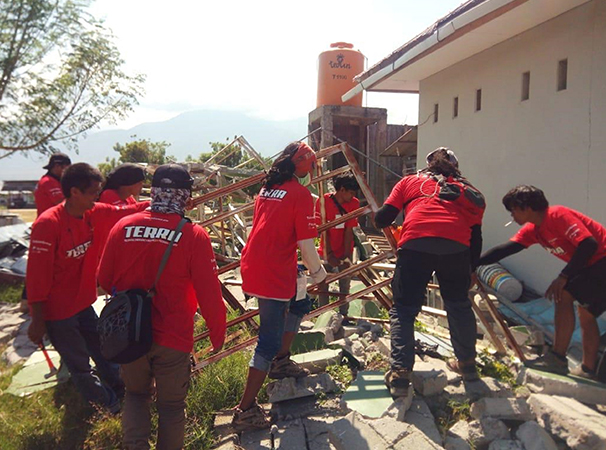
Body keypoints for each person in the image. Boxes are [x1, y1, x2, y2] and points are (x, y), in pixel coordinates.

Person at [98, 164, 226, 450]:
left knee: (135, 395)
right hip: (173, 337)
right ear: (185, 196)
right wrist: (218, 334)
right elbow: (209, 295)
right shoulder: (193, 236)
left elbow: (104, 280)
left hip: (128, 334)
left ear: (153, 192)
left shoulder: (123, 227)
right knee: (170, 407)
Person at [26, 163, 150, 413]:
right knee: (80, 365)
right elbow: (36, 278)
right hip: (58, 312)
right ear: (75, 192)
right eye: (93, 192)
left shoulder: (91, 212)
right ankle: (108, 406)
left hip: (83, 302)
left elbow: (125, 211)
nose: (98, 196)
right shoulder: (48, 225)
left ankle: (119, 388)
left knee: (104, 350)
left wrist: (159, 205)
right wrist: (37, 320)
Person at [375, 147, 485, 396]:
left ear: (427, 166)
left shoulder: (410, 182)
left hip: (415, 245)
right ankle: (468, 367)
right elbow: (476, 237)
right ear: (456, 168)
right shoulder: (471, 193)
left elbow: (383, 219)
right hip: (457, 250)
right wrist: (472, 269)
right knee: (458, 305)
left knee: (403, 310)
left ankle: (401, 374)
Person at [232, 142, 327, 431]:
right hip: (273, 270)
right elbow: (307, 245)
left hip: (258, 262)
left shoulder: (267, 188)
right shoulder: (300, 195)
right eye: (311, 166)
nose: (312, 170)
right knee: (268, 340)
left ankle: (281, 361)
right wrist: (319, 274)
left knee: (300, 303)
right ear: (301, 166)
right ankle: (245, 410)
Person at [477, 185, 606, 379]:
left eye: (513, 210)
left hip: (601, 260)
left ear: (526, 207)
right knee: (586, 314)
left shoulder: (557, 215)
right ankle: (588, 370)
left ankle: (557, 358)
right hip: (594, 267)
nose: (512, 216)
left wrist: (564, 277)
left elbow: (588, 244)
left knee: (563, 295)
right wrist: (472, 264)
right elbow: (506, 249)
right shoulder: (534, 230)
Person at [316, 173, 360, 318]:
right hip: (326, 249)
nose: (352, 196)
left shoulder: (354, 203)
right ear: (342, 190)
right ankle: (324, 314)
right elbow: (323, 230)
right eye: (351, 193)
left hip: (344, 248)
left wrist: (346, 256)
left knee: (345, 281)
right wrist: (329, 255)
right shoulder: (323, 202)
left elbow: (349, 230)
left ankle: (343, 314)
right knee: (322, 281)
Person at [34, 152, 72, 217]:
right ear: (57, 166)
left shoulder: (53, 181)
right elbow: (63, 203)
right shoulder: (49, 182)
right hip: (49, 223)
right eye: (66, 168)